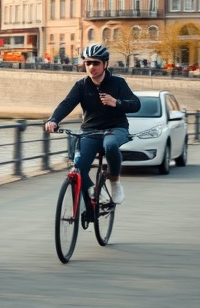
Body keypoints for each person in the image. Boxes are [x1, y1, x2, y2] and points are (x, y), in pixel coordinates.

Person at [43, 44, 140, 205]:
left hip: (116, 128)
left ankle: (115, 181)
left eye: (96, 63)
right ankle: (94, 191)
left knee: (110, 145)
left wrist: (116, 102)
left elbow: (136, 105)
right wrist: (53, 119)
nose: (91, 67)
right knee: (78, 166)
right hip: (90, 131)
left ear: (105, 64)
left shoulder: (118, 83)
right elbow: (67, 103)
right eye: (88, 63)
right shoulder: (81, 85)